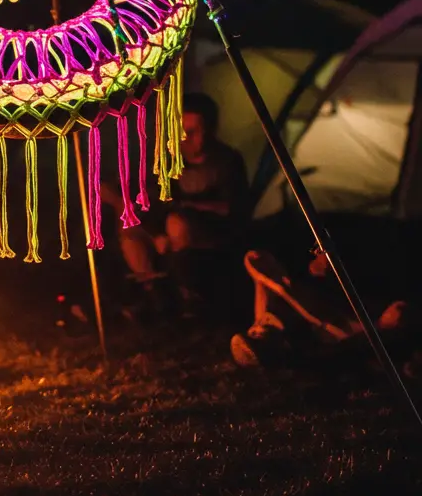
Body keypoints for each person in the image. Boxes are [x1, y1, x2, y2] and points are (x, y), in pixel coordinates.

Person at [104, 92, 249, 314]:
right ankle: (153, 293)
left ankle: (189, 294)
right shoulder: (168, 162)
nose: (187, 139)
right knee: (129, 227)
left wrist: (186, 211)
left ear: (210, 129)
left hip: (210, 234)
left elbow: (233, 208)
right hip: (168, 229)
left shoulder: (227, 161)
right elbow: (154, 201)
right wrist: (155, 233)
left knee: (177, 223)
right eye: (183, 133)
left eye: (194, 132)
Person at [230, 246, 416, 370]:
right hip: (354, 299)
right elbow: (343, 334)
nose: (258, 332)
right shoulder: (301, 338)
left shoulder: (264, 314)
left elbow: (264, 279)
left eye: (252, 333)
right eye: (260, 341)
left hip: (328, 279)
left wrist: (254, 261)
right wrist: (382, 325)